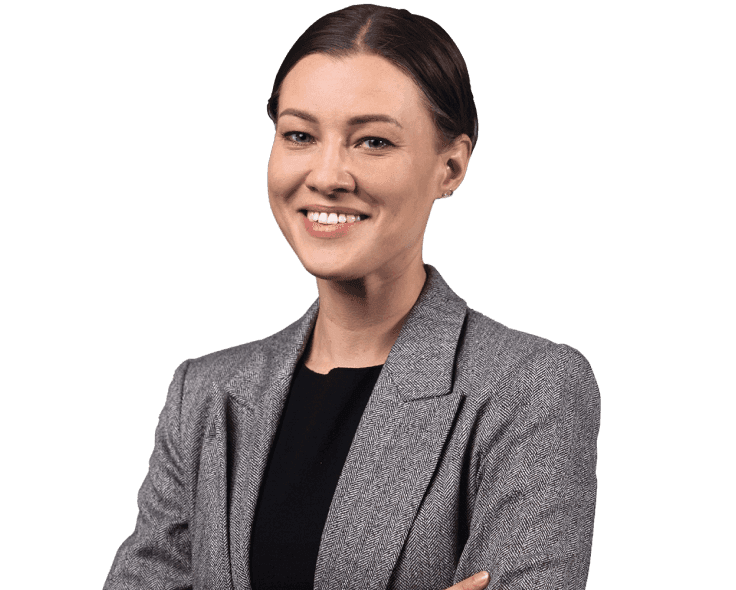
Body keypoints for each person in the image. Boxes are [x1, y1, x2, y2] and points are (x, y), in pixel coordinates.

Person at [103, 4, 600, 589]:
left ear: (451, 166)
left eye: (372, 141)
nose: (328, 174)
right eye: (299, 135)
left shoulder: (529, 388)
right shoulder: (204, 395)